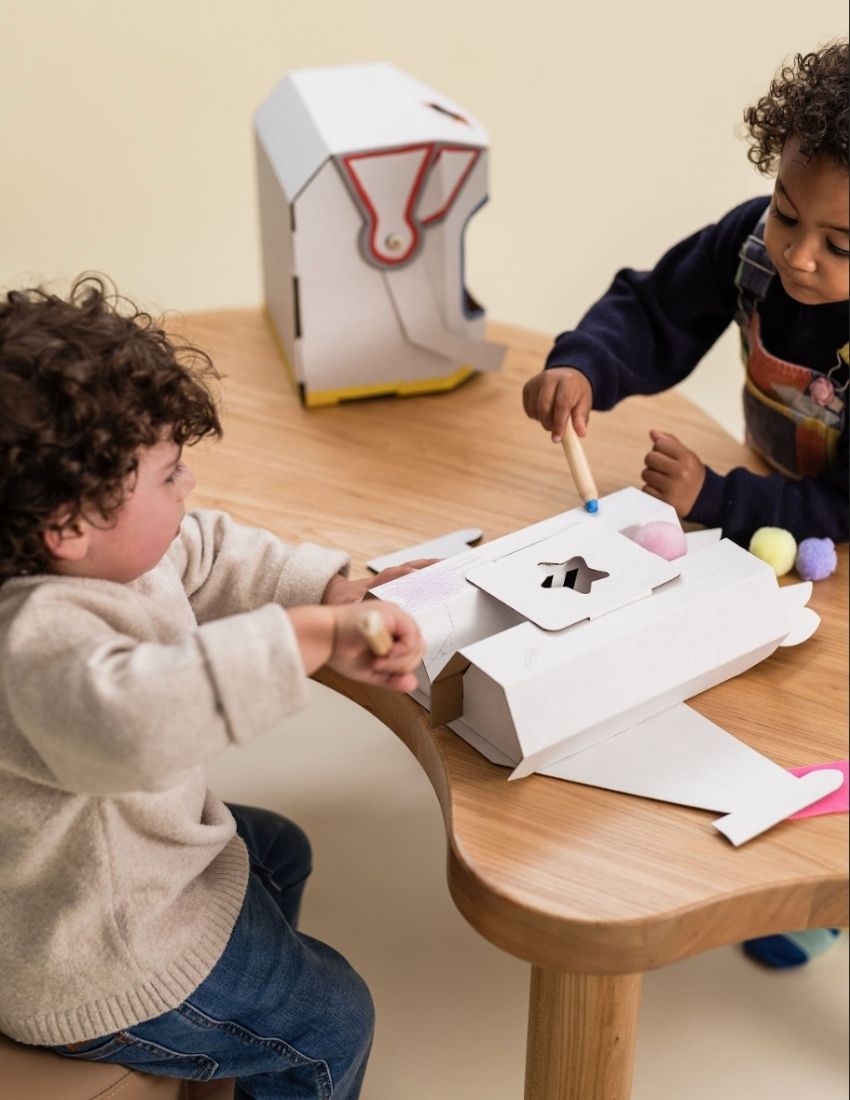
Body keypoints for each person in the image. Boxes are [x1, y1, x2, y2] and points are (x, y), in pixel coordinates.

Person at [0, 276, 427, 1098]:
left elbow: (207, 551)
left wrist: (335, 588)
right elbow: (135, 720)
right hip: (97, 955)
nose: (188, 489)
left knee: (279, 849)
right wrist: (311, 638)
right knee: (335, 1021)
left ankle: (228, 1054)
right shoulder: (32, 644)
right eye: (167, 476)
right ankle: (252, 1041)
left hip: (118, 873)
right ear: (68, 525)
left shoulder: (97, 551)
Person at [522, 41, 849, 547]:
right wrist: (583, 365)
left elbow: (844, 507)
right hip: (774, 495)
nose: (797, 256)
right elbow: (656, 311)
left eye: (838, 245)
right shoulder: (752, 246)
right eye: (786, 213)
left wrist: (715, 498)